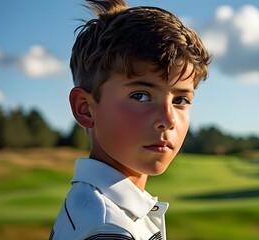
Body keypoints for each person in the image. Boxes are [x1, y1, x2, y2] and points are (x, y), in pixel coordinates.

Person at [49, 0, 211, 239]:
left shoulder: (94, 206)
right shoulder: (108, 229)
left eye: (180, 100)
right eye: (141, 96)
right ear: (85, 108)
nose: (168, 119)